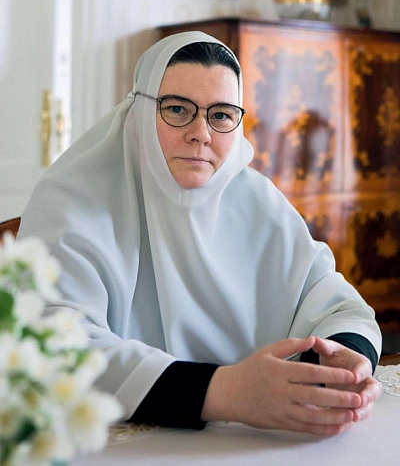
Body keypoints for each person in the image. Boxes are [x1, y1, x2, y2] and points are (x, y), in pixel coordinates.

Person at [17, 31, 382, 436]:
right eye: (177, 109)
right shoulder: (69, 203)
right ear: (139, 112)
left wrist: (342, 363)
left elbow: (338, 305)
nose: (201, 133)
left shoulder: (257, 202)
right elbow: (57, 347)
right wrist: (226, 392)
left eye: (221, 115)